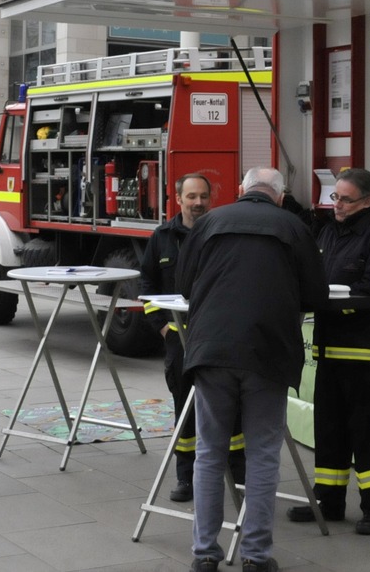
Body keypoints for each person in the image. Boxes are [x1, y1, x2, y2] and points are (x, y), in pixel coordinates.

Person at [178, 167, 328, 572]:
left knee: (209, 453)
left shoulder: (210, 221)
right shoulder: (293, 227)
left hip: (212, 351)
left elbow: (185, 283)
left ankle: (204, 554)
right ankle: (256, 557)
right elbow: (316, 295)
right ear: (279, 197)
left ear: (242, 190)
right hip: (268, 353)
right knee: (263, 455)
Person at [286, 168, 370, 536]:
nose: (336, 204)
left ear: (367, 201)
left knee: (366, 432)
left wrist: (332, 300)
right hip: (329, 350)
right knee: (329, 429)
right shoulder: (327, 232)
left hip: (365, 353)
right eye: (334, 197)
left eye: (345, 199)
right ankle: (329, 502)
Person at [139, 173, 245, 503]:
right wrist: (163, 327)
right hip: (180, 341)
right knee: (185, 410)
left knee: (232, 409)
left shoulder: (222, 234)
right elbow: (146, 288)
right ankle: (186, 478)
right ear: (178, 198)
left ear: (210, 199)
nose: (197, 202)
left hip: (217, 340)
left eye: (203, 196)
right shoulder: (162, 237)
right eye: (191, 197)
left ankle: (237, 477)